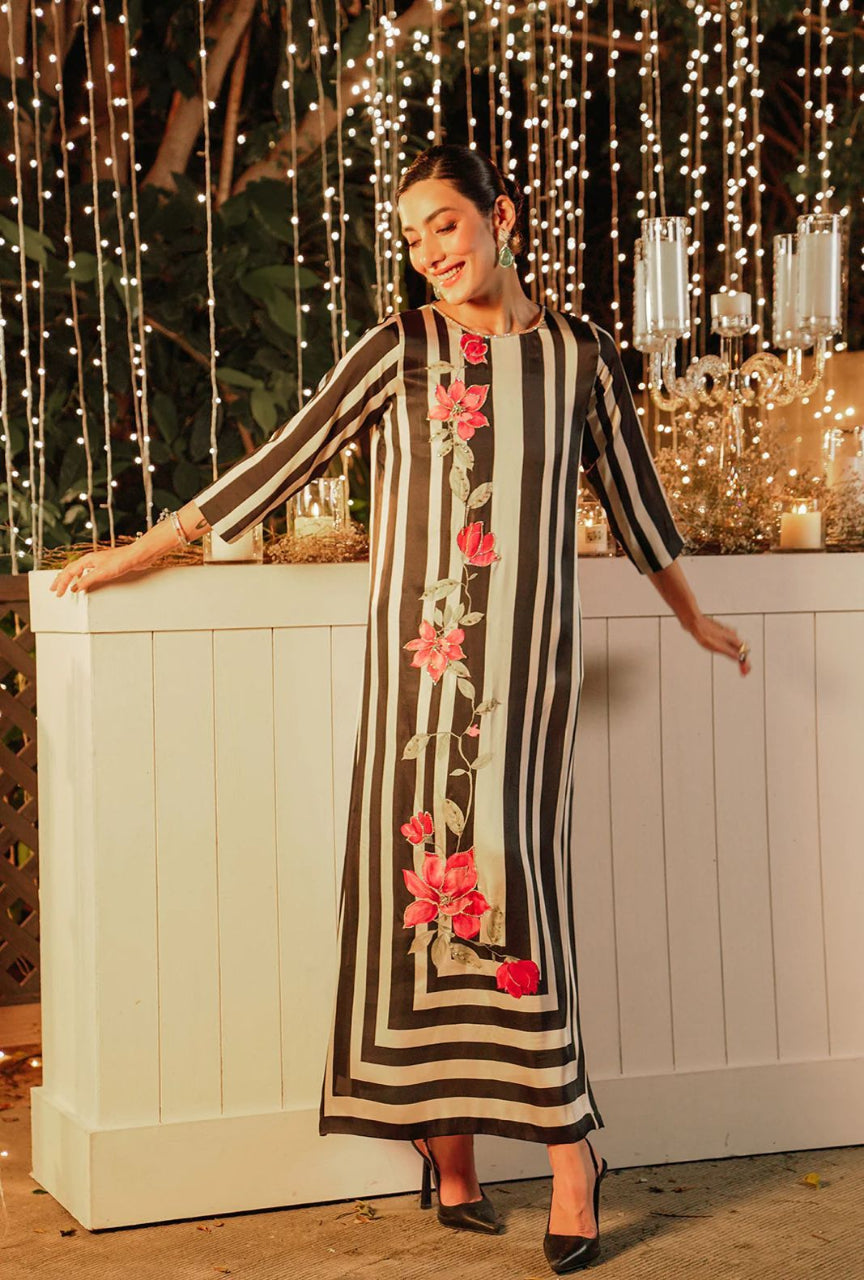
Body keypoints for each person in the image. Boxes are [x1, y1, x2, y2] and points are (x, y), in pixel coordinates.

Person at [51, 142, 751, 1275]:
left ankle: (574, 1152)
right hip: (417, 687)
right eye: (412, 236)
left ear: (501, 215)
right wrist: (142, 550)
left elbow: (634, 500)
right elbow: (285, 458)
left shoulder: (579, 357)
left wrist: (694, 617)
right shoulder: (399, 350)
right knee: (409, 903)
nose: (430, 252)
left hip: (526, 685)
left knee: (518, 890)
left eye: (444, 224)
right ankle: (452, 1148)